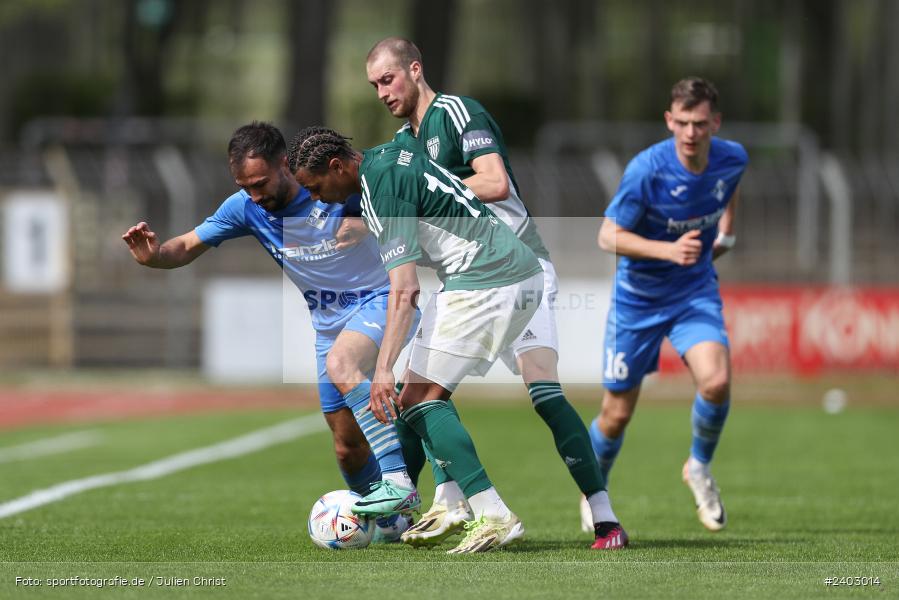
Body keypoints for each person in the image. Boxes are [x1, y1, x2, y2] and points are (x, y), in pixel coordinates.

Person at [364, 36, 627, 550]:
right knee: (421, 390)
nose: (381, 92)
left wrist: (428, 195)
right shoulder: (402, 144)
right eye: (374, 85)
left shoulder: (457, 113)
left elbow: (495, 181)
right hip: (471, 279)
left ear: (415, 69)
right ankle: (443, 501)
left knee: (543, 393)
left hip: (520, 266)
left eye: (388, 79)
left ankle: (605, 518)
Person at [121, 121, 421, 541]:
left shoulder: (331, 183)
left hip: (378, 299)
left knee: (347, 365)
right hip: (328, 325)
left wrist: (368, 221)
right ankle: (391, 522)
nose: (255, 194)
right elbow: (186, 246)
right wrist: (154, 256)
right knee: (347, 448)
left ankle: (399, 484)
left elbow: (406, 200)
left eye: (260, 183)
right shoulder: (246, 207)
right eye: (245, 186)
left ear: (284, 164)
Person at [290, 126, 549, 553]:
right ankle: (450, 503)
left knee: (420, 399)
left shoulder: (381, 188)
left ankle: (494, 515)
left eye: (315, 187)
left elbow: (406, 289)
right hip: (501, 271)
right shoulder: (386, 159)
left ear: (336, 166)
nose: (318, 199)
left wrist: (383, 368)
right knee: (417, 397)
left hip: (490, 276)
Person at [590, 77, 747, 532]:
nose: (690, 132)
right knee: (616, 415)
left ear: (715, 123)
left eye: (699, 123)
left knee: (716, 381)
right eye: (682, 123)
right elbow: (607, 236)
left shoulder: (733, 157)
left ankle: (698, 467)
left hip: (693, 291)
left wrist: (727, 233)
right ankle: (595, 491)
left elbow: (729, 185)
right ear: (669, 121)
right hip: (637, 300)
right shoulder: (647, 170)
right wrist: (668, 250)